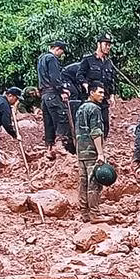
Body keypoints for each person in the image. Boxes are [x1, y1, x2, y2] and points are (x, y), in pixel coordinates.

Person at [75, 83, 111, 223]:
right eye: (100, 92)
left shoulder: (80, 109)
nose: (102, 95)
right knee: (94, 183)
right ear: (91, 92)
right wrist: (100, 154)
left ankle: (84, 213)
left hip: (81, 151)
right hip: (91, 152)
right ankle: (95, 214)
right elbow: (96, 132)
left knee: (83, 182)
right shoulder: (94, 109)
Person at [77, 33, 117, 138]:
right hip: (90, 99)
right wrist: (85, 83)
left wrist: (112, 95)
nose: (108, 47)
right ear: (99, 44)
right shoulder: (88, 60)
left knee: (105, 125)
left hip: (103, 99)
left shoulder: (109, 62)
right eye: (106, 44)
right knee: (90, 125)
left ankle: (101, 149)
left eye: (109, 45)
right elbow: (79, 75)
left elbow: (112, 80)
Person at [37, 40, 71, 158]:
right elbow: (55, 77)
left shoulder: (41, 58)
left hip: (44, 96)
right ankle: (60, 145)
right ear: (57, 49)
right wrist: (61, 90)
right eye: (61, 52)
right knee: (61, 118)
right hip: (52, 94)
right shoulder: (52, 59)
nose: (61, 55)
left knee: (49, 122)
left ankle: (49, 148)